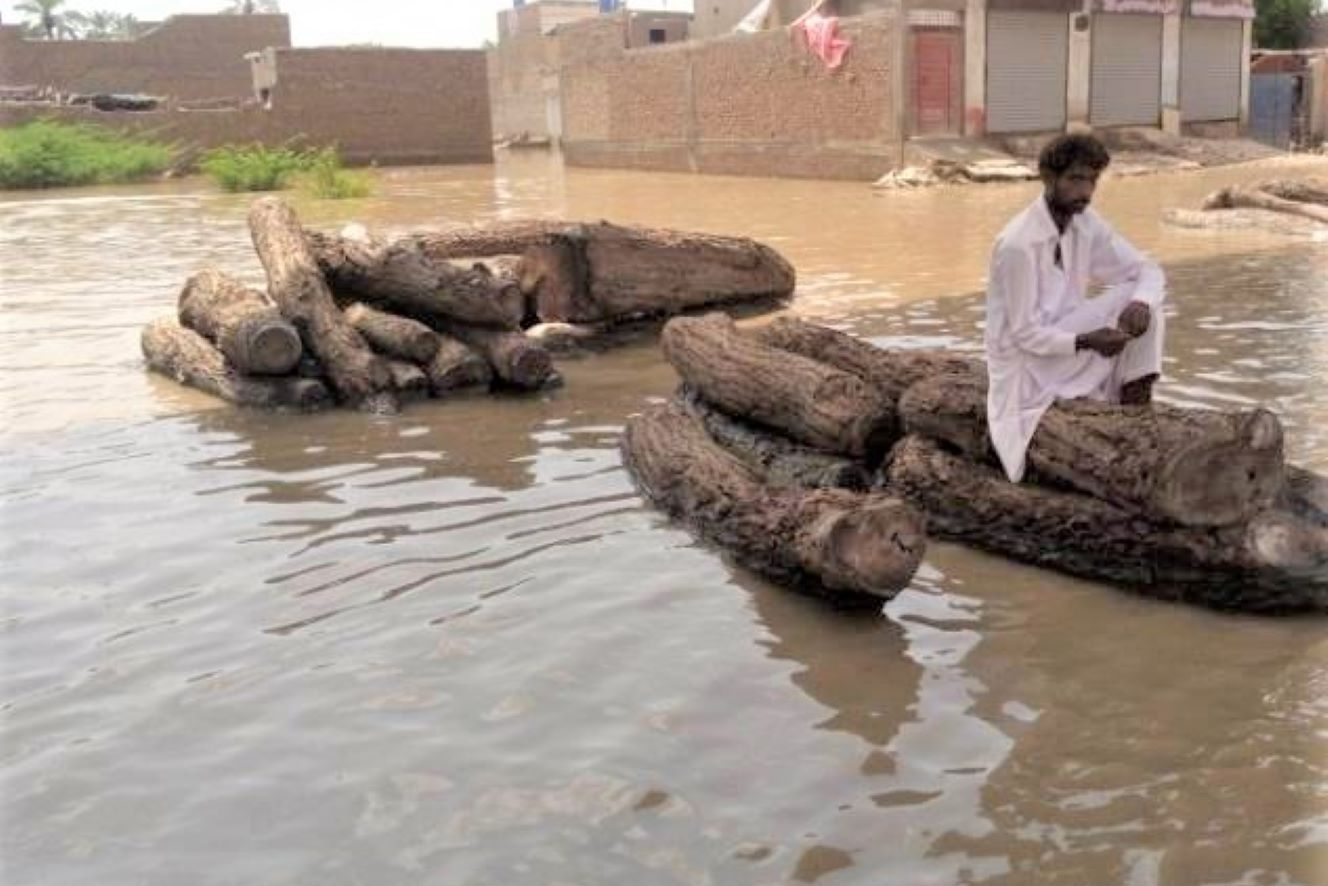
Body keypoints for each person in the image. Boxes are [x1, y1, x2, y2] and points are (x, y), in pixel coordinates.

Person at [985, 132, 1166, 484]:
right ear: (1049, 178)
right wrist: (1086, 341)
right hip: (1027, 364)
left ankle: (1138, 410)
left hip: (1070, 339)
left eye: (1092, 180)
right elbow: (1023, 334)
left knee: (1143, 300)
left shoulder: (1086, 223)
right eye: (1076, 179)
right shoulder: (1017, 245)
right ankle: (1129, 420)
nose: (1085, 192)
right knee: (1131, 300)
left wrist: (1141, 302)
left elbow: (1147, 269)